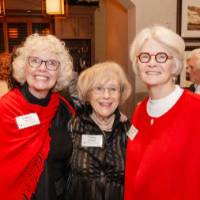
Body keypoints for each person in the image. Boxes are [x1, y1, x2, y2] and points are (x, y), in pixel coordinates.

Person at [125, 25, 200, 200]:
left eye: (161, 56)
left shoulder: (195, 109)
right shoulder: (139, 111)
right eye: (145, 57)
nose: (152, 63)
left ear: (174, 63)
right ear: (138, 63)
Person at [0, 34, 75, 200]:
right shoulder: (5, 109)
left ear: (59, 72)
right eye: (35, 60)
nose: (42, 68)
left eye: (52, 63)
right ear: (24, 66)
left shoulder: (64, 109)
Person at [66, 61, 132, 200]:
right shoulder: (73, 126)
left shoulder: (128, 129)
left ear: (120, 95)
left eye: (113, 89)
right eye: (99, 88)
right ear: (88, 94)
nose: (106, 96)